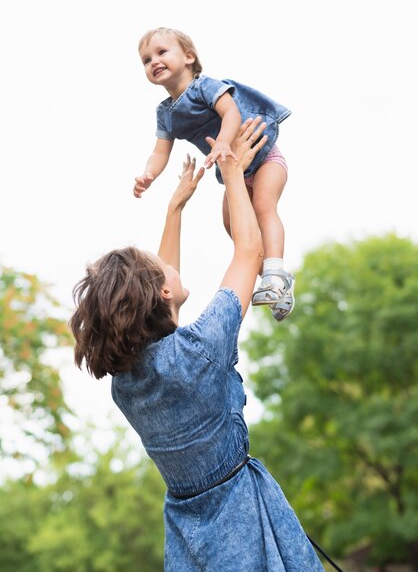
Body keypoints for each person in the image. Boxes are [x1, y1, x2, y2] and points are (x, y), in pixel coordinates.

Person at [70, 118, 324, 571]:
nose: (169, 268)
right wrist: (232, 174)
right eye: (160, 268)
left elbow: (159, 315)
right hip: (241, 516)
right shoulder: (202, 349)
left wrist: (175, 209)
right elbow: (249, 251)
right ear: (161, 293)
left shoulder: (128, 384)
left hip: (188, 528)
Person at [133, 27, 295, 322]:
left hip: (264, 155)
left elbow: (231, 112)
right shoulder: (164, 113)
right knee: (230, 221)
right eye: (146, 59)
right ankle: (275, 279)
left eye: (161, 52)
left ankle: (275, 270)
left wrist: (222, 141)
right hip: (236, 172)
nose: (153, 61)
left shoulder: (204, 86)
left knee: (263, 206)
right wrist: (149, 174)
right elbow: (160, 152)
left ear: (189, 57)